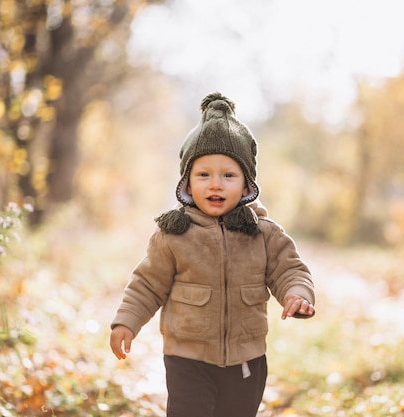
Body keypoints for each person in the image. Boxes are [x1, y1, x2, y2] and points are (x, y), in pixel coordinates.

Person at [109, 92, 315, 417]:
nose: (215, 184)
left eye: (228, 175)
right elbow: (147, 284)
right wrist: (126, 322)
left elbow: (290, 270)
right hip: (186, 358)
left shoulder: (263, 233)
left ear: (247, 186)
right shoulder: (174, 234)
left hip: (247, 358)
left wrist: (297, 294)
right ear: (187, 185)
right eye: (203, 175)